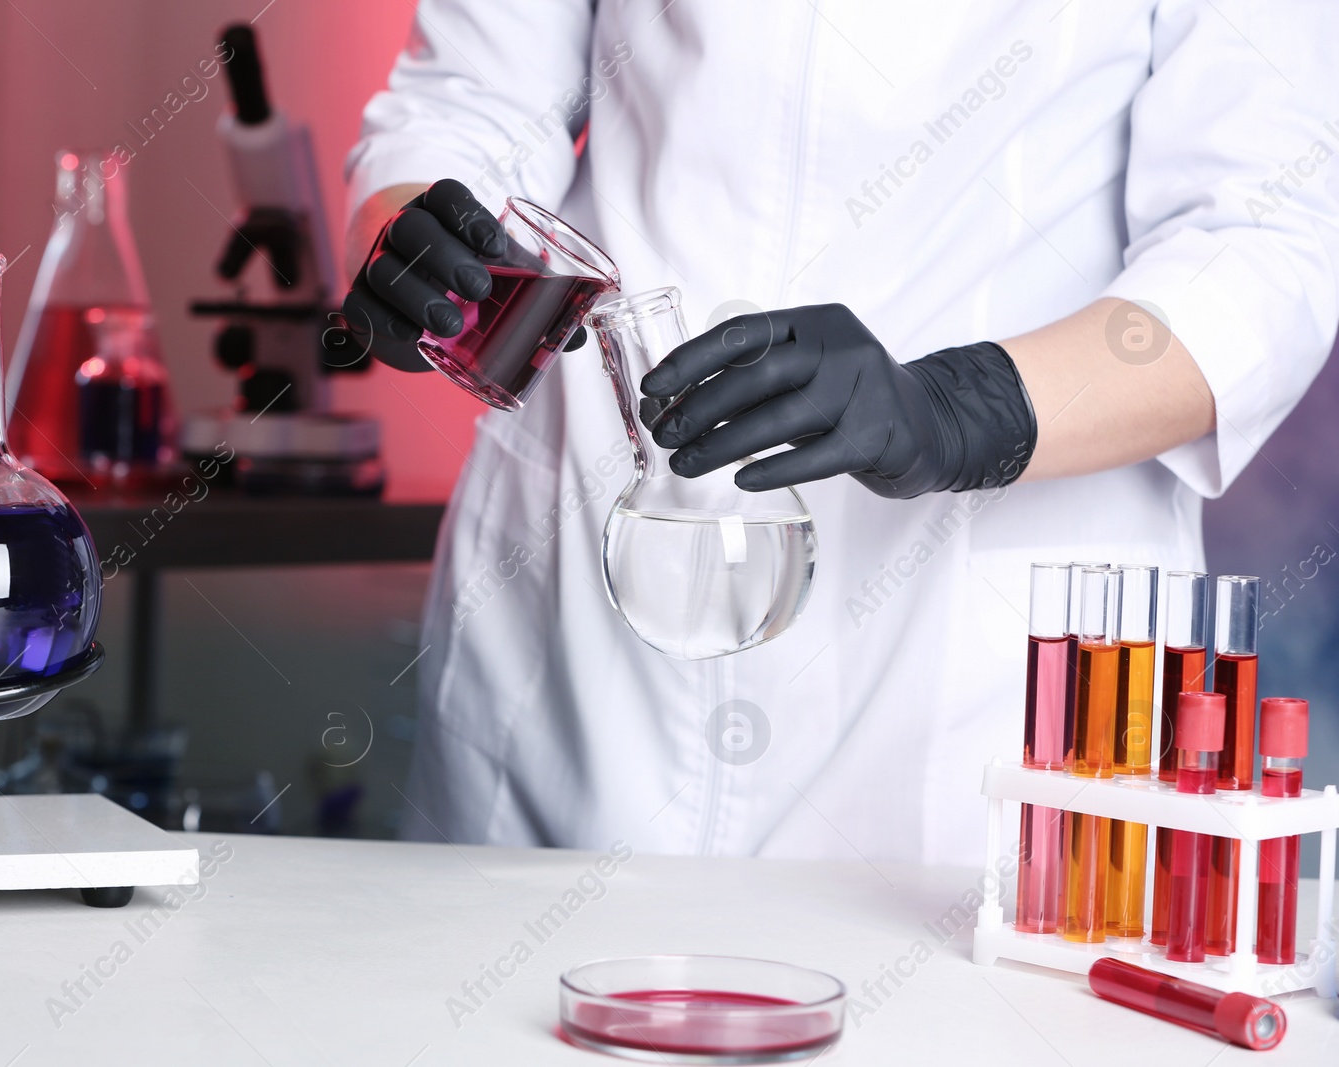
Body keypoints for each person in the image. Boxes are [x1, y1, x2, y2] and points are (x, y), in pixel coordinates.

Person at [340, 2, 1339, 862]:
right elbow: (468, 100)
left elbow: (1261, 247)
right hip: (587, 602)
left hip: (979, 659)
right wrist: (420, 230)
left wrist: (963, 407)